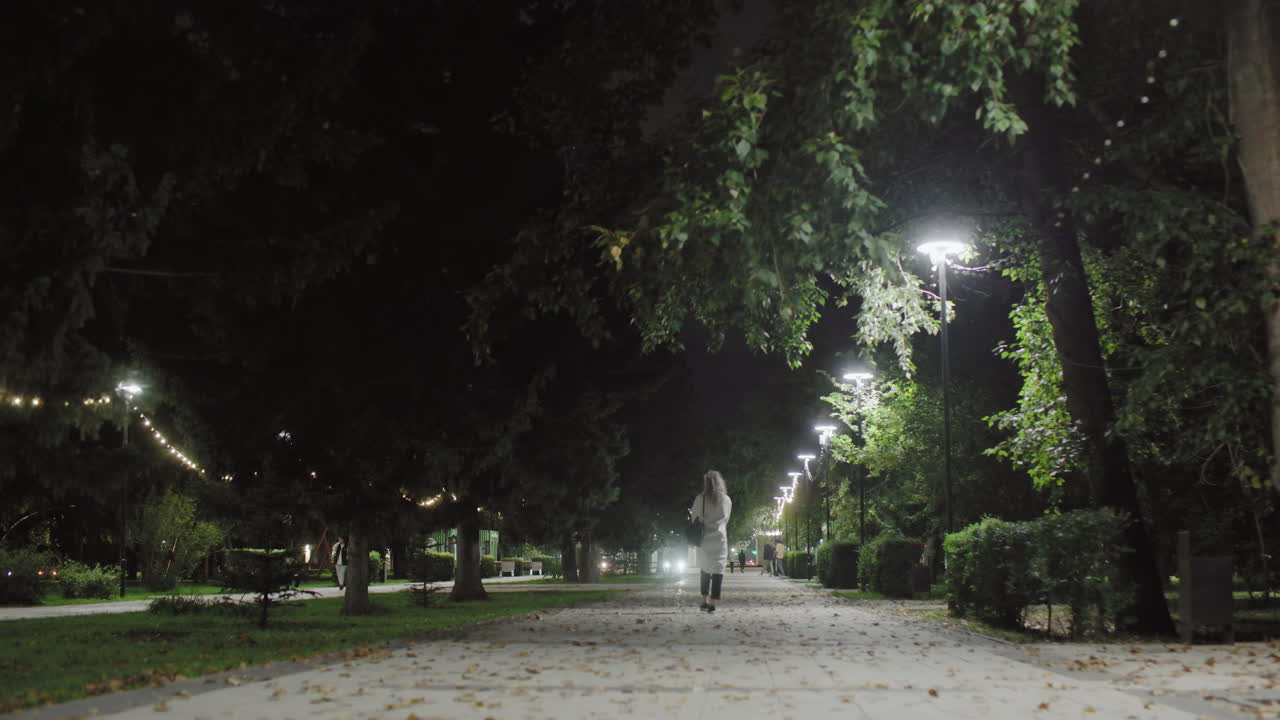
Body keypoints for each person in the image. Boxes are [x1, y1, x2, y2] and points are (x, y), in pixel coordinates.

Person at [691, 470, 732, 613]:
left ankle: (704, 600)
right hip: (720, 538)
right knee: (718, 570)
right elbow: (726, 519)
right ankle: (714, 603)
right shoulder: (726, 500)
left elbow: (694, 518)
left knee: (705, 569)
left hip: (705, 539)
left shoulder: (700, 499)